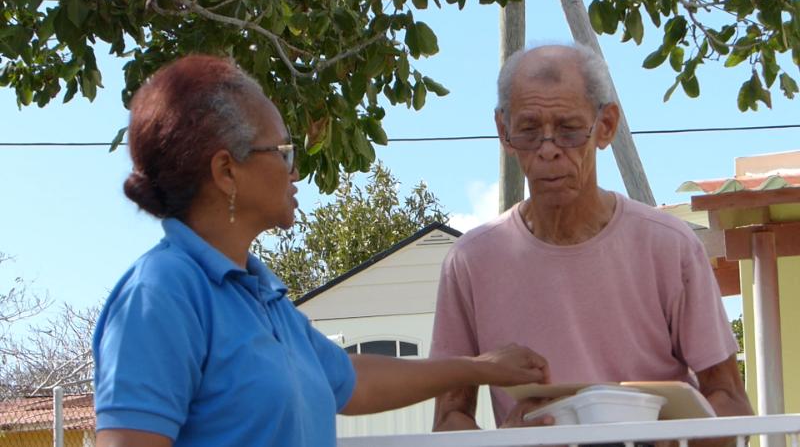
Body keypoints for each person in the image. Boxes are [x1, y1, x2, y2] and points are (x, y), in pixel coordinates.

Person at [92, 54, 550, 447]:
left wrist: (477, 368)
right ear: (226, 171)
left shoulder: (259, 297)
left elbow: (353, 381)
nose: (295, 173)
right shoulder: (161, 294)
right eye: (284, 152)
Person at [430, 43, 753, 432]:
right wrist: (507, 443)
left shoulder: (669, 246)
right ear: (504, 131)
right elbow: (449, 419)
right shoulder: (471, 262)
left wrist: (673, 433)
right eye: (529, 131)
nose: (548, 150)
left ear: (606, 126)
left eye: (568, 130)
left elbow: (732, 402)